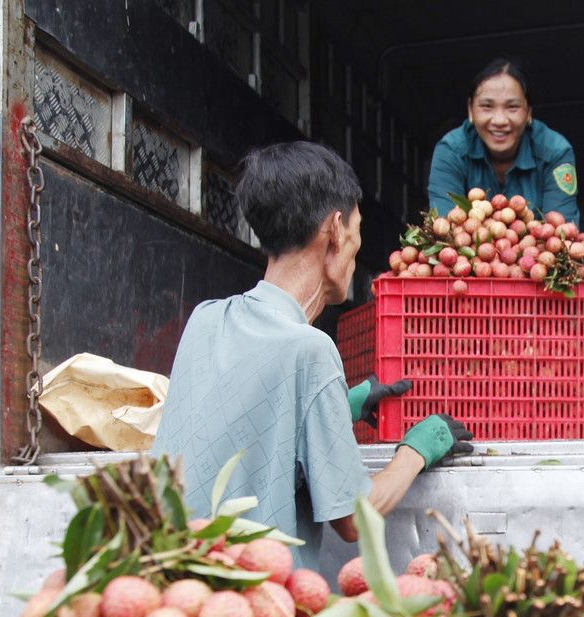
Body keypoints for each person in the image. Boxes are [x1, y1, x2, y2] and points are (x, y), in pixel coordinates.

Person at [151, 142, 474, 568]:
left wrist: (341, 404)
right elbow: (353, 518)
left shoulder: (205, 319)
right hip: (257, 597)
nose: (356, 253)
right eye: (357, 233)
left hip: (173, 576)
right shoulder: (311, 349)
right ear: (336, 230)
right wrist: (418, 448)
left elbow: (248, 428)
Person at [427, 58, 579, 225]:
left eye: (512, 107)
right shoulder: (451, 151)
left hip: (537, 251)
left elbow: (563, 235)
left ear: (528, 111)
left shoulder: (555, 151)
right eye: (487, 106)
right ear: (470, 109)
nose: (499, 120)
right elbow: (444, 228)